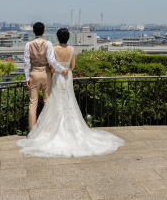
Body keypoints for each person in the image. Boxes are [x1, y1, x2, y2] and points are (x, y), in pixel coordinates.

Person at [17, 27, 124, 158]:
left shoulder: (53, 48)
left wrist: (53, 72)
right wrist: (65, 68)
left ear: (57, 37)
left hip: (55, 77)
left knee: (53, 103)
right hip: (67, 77)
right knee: (69, 101)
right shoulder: (72, 49)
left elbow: (50, 65)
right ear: (68, 37)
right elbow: (73, 66)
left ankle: (40, 131)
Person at [24, 22, 68, 131]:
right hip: (45, 73)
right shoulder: (48, 43)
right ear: (44, 31)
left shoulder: (28, 44)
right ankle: (49, 130)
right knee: (47, 102)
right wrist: (62, 70)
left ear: (33, 31)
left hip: (34, 74)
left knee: (33, 104)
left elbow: (26, 64)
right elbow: (51, 60)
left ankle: (32, 131)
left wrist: (27, 78)